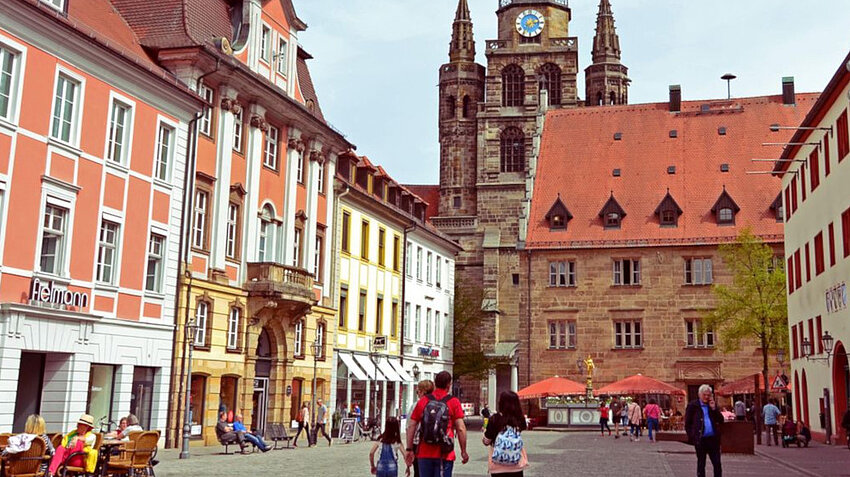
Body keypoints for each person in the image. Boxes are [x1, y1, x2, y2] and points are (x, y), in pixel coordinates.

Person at [404, 371, 469, 477]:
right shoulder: (453, 402)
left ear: (435, 383)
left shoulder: (423, 401)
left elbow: (411, 426)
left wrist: (409, 449)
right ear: (449, 384)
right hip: (445, 453)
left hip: (424, 452)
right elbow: (461, 428)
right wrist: (463, 451)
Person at [483, 391, 528, 477]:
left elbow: (486, 441)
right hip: (516, 464)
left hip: (497, 466)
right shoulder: (520, 419)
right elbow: (523, 428)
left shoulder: (494, 419)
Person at [685, 384, 723, 477]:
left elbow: (720, 420)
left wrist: (714, 409)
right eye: (704, 395)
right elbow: (687, 423)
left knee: (717, 463)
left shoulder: (712, 406)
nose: (706, 397)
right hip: (700, 439)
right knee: (701, 463)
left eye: (708, 395)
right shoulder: (693, 406)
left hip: (713, 440)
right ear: (699, 394)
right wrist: (693, 436)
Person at [410, 380, 435, 477]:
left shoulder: (417, 405)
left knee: (418, 472)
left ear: (422, 392)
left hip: (418, 443)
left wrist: (409, 448)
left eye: (417, 392)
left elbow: (410, 426)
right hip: (435, 442)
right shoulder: (437, 404)